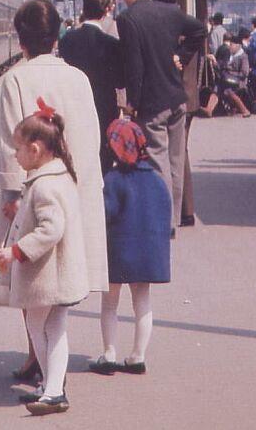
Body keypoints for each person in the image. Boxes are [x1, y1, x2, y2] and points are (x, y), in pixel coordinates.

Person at [0, 0, 108, 380]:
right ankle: (44, 360)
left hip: (33, 195)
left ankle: (37, 358)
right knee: (63, 275)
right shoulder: (78, 77)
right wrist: (86, 189)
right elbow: (91, 139)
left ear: (20, 39)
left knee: (31, 277)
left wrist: (11, 196)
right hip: (74, 189)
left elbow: (13, 145)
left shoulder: (17, 79)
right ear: (57, 34)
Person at [0, 103, 88, 415]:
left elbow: (51, 228)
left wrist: (15, 251)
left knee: (40, 328)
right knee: (54, 329)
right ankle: (51, 387)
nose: (16, 156)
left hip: (46, 274)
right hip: (59, 273)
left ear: (35, 149)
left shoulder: (44, 184)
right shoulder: (58, 175)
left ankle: (54, 389)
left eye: (18, 149)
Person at [116, 0, 206, 236]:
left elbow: (134, 65)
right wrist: (182, 55)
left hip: (152, 102)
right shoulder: (170, 11)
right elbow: (200, 29)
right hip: (177, 98)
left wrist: (132, 102)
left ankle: (163, 223)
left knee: (158, 162)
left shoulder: (128, 19)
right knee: (176, 161)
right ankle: (174, 219)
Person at [88, 118, 171, 376]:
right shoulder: (157, 181)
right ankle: (138, 356)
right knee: (142, 302)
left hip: (117, 252)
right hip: (147, 255)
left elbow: (104, 214)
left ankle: (109, 354)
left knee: (109, 304)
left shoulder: (113, 180)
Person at [58, 0, 123, 174]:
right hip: (104, 106)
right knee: (103, 157)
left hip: (73, 105)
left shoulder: (67, 41)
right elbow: (120, 81)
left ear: (83, 10)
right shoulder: (112, 44)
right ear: (105, 12)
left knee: (76, 153)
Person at [151, 0, 196, 227]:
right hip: (185, 94)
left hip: (175, 94)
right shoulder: (185, 21)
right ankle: (184, 211)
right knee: (180, 155)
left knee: (173, 156)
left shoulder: (172, 25)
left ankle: (178, 213)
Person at [219, 35, 252, 117]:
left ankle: (244, 110)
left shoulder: (243, 57)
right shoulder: (229, 55)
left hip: (239, 82)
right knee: (217, 87)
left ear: (238, 46)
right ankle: (209, 109)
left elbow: (244, 73)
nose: (230, 47)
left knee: (228, 91)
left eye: (231, 45)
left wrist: (230, 73)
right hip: (228, 81)